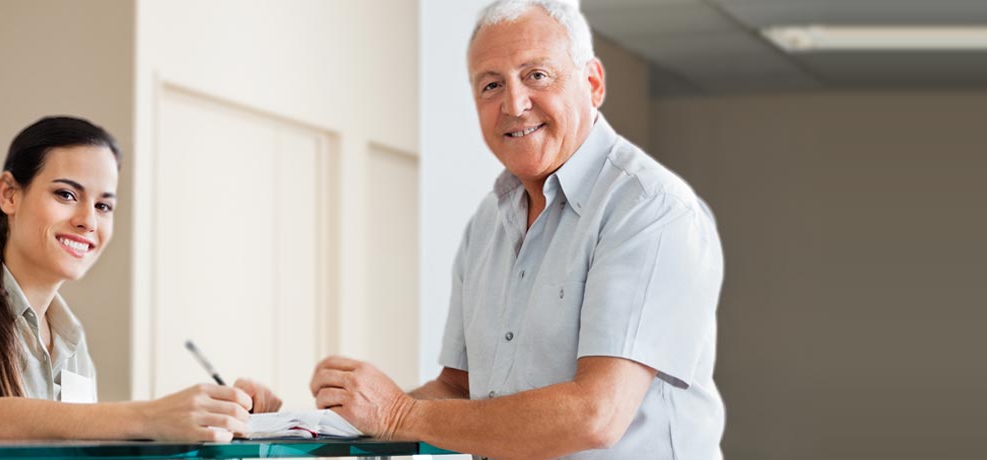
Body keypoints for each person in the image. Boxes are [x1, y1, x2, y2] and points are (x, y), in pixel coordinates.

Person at [308, 1, 724, 458]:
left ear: (592, 83)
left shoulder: (649, 208)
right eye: (491, 85)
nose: (514, 104)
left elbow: (597, 415)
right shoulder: (488, 222)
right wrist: (327, 422)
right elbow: (458, 389)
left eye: (536, 76)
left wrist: (397, 415)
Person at [0, 116, 282, 445]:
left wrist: (219, 416)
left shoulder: (71, 341)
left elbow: (83, 444)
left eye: (104, 205)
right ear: (9, 195)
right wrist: (150, 415)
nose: (88, 219)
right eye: (67, 194)